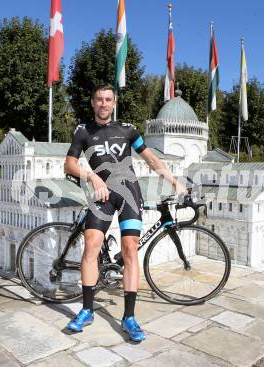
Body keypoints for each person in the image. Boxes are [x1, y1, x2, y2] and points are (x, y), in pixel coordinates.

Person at [64, 85, 187, 342]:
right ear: (92, 102)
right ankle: (87, 310)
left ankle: (129, 317)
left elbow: (151, 159)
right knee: (90, 247)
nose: (103, 104)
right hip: (103, 196)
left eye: (108, 99)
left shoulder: (128, 130)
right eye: (99, 99)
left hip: (130, 195)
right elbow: (70, 164)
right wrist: (92, 177)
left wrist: (175, 182)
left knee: (130, 250)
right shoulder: (82, 131)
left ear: (114, 102)